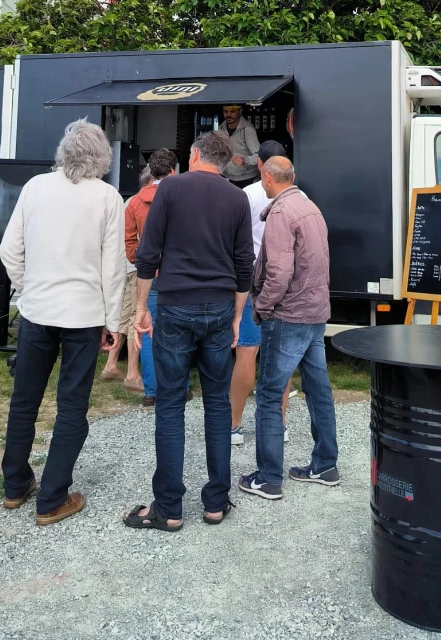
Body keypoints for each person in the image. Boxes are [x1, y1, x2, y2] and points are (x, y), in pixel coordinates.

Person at [123, 131, 254, 531]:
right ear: (227, 160)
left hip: (176, 305)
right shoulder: (237, 197)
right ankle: (215, 502)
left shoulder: (170, 188)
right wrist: (236, 317)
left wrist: (142, 308)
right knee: (217, 403)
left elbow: (149, 254)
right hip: (217, 308)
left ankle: (169, 509)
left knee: (170, 404)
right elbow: (244, 262)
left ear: (194, 154)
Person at [0, 119, 125, 525]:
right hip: (84, 317)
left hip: (37, 311)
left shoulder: (36, 187)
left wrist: (26, 287)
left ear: (64, 151)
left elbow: (9, 249)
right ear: (102, 157)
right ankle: (52, 498)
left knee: (24, 402)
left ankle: (15, 486)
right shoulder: (108, 197)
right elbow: (113, 267)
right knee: (72, 406)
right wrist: (113, 321)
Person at [239, 157, 339, 501]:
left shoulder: (281, 213)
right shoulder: (309, 205)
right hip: (315, 313)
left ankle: (268, 478)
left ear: (267, 177)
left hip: (288, 315)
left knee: (268, 394)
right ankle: (326, 465)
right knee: (319, 390)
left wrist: (263, 306)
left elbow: (279, 272)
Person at [230, 140, 296, 447]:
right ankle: (278, 425)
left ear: (260, 165)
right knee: (281, 355)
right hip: (287, 285)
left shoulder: (246, 195)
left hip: (253, 282)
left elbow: (236, 241)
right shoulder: (300, 196)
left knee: (247, 350)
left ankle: (234, 426)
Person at [122, 149, 178, 407]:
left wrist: (139, 261)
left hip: (148, 274)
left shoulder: (134, 202)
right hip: (177, 273)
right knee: (179, 331)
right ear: (173, 170)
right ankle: (179, 387)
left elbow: (129, 240)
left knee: (147, 329)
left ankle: (151, 391)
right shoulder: (180, 196)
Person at [99, 165, 153, 392]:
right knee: (135, 318)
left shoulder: (127, 202)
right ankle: (132, 373)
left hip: (122, 267)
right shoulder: (141, 204)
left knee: (123, 316)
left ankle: (111, 365)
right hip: (135, 268)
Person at [220, 104, 260, 188]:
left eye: (232, 111)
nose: (228, 115)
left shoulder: (247, 129)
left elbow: (259, 155)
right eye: (226, 112)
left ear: (240, 111)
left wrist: (245, 160)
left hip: (246, 178)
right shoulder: (221, 128)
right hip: (226, 176)